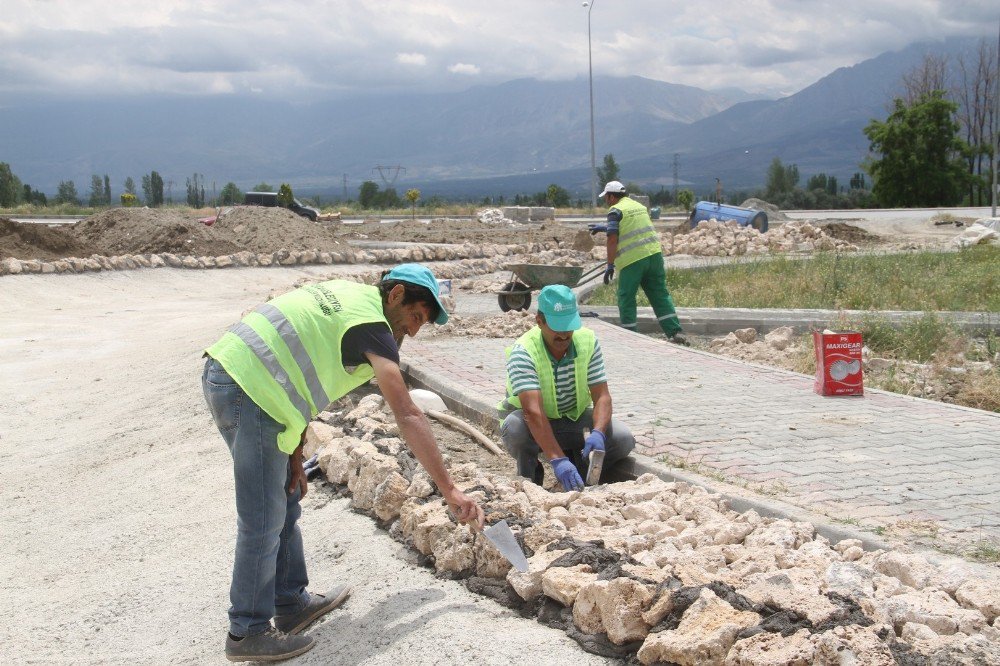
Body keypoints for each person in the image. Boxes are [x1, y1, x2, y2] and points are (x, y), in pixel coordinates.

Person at [202, 263, 485, 662]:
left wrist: (295, 455)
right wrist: (449, 488)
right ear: (397, 294)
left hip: (246, 381)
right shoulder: (372, 324)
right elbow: (406, 412)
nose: (416, 329)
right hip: (249, 390)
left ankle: (290, 603)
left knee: (285, 497)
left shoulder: (351, 298)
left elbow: (300, 366)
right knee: (263, 516)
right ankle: (246, 632)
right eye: (416, 316)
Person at [497, 284, 635, 491]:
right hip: (533, 424)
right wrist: (557, 460)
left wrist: (598, 432)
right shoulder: (523, 351)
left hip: (572, 419)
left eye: (568, 326)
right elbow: (533, 412)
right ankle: (530, 481)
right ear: (539, 321)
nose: (564, 334)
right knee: (515, 429)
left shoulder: (587, 341)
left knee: (622, 438)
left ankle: (580, 472)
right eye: (556, 327)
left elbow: (602, 397)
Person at [589, 180, 688, 345]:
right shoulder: (638, 207)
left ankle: (630, 336)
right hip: (654, 256)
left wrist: (610, 264)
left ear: (611, 196)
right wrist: (606, 227)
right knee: (659, 295)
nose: (605, 201)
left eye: (606, 197)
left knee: (626, 297)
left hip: (633, 260)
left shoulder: (615, 211)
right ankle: (675, 331)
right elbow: (631, 227)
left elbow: (613, 239)